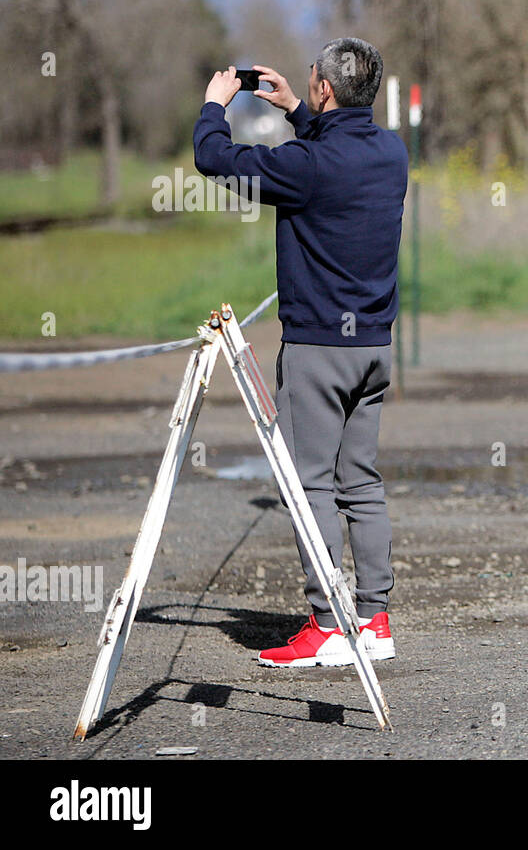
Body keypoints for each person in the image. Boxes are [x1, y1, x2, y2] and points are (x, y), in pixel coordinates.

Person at [195, 38, 407, 665]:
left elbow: (215, 159)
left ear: (325, 88)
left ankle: (326, 625)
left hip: (318, 351)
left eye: (312, 82)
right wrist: (296, 108)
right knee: (359, 483)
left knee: (306, 485)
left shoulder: (304, 165)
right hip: (373, 348)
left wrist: (216, 105)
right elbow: (341, 147)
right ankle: (373, 619)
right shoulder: (392, 154)